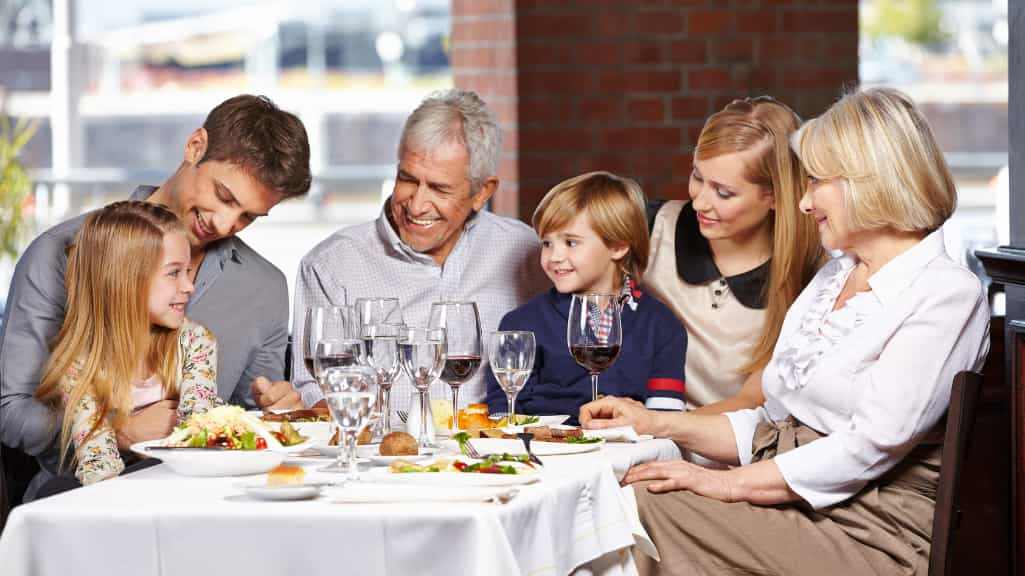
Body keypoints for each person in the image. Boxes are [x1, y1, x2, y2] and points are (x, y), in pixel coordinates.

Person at [581, 87, 990, 575]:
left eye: (817, 181)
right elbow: (770, 424)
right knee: (633, 489)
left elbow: (869, 446)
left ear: (872, 182)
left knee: (643, 507)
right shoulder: (835, 276)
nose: (803, 202)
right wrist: (654, 423)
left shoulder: (946, 294)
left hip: (871, 529)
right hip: (796, 507)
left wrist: (727, 484)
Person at [0, 95, 310, 497]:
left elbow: (245, 423)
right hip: (83, 497)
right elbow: (11, 414)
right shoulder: (61, 253)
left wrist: (273, 414)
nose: (225, 224)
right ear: (195, 146)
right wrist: (120, 431)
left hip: (215, 500)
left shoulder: (265, 287)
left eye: (248, 216)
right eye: (225, 196)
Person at [292, 89, 548, 411]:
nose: (416, 204)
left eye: (439, 188)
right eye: (408, 179)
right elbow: (311, 391)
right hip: (381, 455)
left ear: (482, 192)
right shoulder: (330, 265)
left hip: (491, 454)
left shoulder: (526, 252)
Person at [645, 97, 822, 414]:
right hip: (643, 438)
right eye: (697, 177)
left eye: (723, 192)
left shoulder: (812, 275)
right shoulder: (651, 227)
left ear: (774, 197)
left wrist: (652, 426)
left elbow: (748, 403)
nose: (700, 202)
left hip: (729, 450)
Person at [33, 201, 219, 486]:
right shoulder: (79, 364)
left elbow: (200, 429)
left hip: (183, 480)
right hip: (119, 492)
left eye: (188, 271)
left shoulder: (195, 341)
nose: (189, 286)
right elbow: (98, 464)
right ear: (125, 280)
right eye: (173, 272)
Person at [484, 171, 686, 421]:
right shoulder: (520, 324)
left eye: (570, 242)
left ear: (618, 246)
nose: (554, 256)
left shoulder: (662, 325)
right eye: (547, 243)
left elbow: (666, 419)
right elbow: (503, 409)